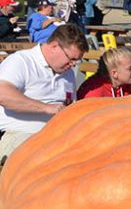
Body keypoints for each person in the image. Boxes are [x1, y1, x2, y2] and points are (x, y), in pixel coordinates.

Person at [0, 25, 86, 164]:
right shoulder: (22, 61)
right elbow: (3, 94)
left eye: (77, 60)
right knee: (47, 159)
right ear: (54, 46)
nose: (73, 64)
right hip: (18, 134)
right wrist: (46, 107)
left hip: (55, 138)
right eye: (71, 58)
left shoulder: (67, 72)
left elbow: (70, 104)